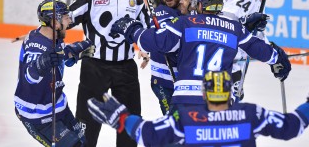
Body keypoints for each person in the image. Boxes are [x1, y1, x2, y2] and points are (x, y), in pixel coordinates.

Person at [109, 0, 291, 110]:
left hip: (187, 100)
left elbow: (158, 42)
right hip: (221, 103)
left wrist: (132, 30)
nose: (182, 0)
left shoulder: (185, 23)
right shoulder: (234, 28)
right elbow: (260, 49)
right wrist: (278, 58)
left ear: (199, 4)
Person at [86, 70, 309, 146]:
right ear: (230, 91)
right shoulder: (251, 114)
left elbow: (148, 135)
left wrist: (122, 119)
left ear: (204, 93)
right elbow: (293, 127)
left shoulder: (187, 118)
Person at [67, 0, 150, 146]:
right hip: (94, 67)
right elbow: (67, 18)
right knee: (87, 122)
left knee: (129, 121)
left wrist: (145, 49)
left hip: (126, 69)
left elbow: (146, 30)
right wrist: (47, 28)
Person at [14, 0, 95, 146]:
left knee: (84, 143)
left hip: (59, 107)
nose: (70, 21)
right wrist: (41, 64)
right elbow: (29, 77)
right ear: (55, 21)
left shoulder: (54, 38)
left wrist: (75, 52)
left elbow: (59, 54)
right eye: (65, 17)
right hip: (38, 115)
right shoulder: (36, 46)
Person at [221, 0, 275, 103]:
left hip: (235, 61)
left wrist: (271, 52)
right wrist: (245, 24)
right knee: (227, 105)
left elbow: (256, 33)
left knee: (234, 101)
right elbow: (226, 22)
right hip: (228, 61)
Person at [149, 0, 183, 115]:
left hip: (183, 81)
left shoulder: (184, 9)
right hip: (163, 82)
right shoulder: (161, 12)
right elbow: (166, 39)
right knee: (173, 123)